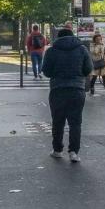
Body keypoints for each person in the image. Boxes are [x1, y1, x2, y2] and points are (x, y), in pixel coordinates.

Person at [40, 27, 92, 162]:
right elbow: (88, 69)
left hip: (58, 89)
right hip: (77, 89)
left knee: (58, 121)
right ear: (72, 36)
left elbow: (46, 71)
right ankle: (74, 152)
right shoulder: (82, 49)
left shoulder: (51, 51)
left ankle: (57, 150)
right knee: (76, 122)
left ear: (58, 37)